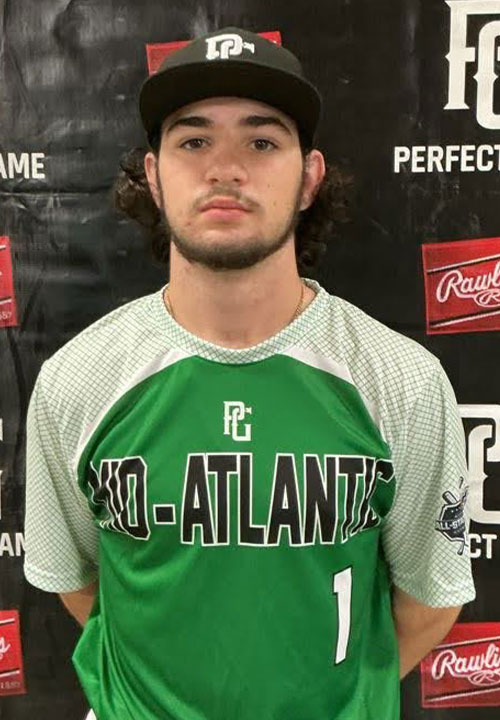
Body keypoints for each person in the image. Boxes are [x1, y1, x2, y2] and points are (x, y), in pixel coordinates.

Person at [24, 25, 475, 720]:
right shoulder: (78, 378)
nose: (225, 169)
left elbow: (428, 601)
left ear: (309, 178)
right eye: (193, 141)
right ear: (154, 176)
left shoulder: (401, 379)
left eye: (261, 142)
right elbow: (80, 583)